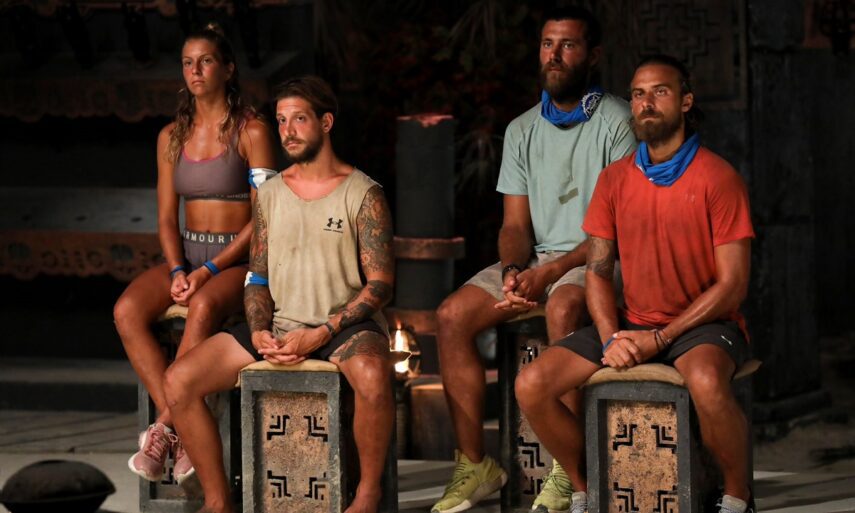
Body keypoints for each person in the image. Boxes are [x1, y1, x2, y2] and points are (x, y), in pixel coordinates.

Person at [515, 55, 756, 513]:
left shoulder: (718, 178)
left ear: (686, 101)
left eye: (660, 92)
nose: (646, 103)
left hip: (703, 326)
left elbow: (733, 285)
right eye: (638, 94)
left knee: (706, 381)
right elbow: (597, 271)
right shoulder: (614, 180)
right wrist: (612, 338)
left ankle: (736, 497)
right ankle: (587, 489)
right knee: (531, 384)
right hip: (633, 320)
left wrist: (661, 338)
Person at [431, 6, 636, 513]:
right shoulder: (522, 129)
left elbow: (613, 230)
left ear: (593, 55)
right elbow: (515, 226)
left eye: (568, 45)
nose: (555, 55)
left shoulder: (617, 122)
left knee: (563, 307)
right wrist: (513, 272)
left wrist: (549, 272)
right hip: (541, 260)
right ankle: (475, 465)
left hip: (601, 259)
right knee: (451, 316)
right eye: (547, 44)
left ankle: (569, 471)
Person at [162, 75, 395, 513]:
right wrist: (258, 329)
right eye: (282, 121)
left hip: (343, 324)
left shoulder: (364, 193)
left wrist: (322, 331)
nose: (287, 131)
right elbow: (257, 276)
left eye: (299, 119)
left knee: (372, 377)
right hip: (280, 324)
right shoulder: (269, 194)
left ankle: (367, 494)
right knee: (179, 381)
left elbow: (380, 284)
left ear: (326, 122)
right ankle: (218, 502)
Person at [113, 23, 277, 484]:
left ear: (228, 69)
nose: (195, 70)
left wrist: (206, 270)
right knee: (126, 310)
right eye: (188, 63)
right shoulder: (171, 136)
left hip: (236, 260)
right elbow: (167, 217)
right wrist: (176, 269)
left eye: (206, 61)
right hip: (187, 256)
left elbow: (264, 217)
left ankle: (165, 427)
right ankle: (182, 428)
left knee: (202, 305)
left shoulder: (252, 130)